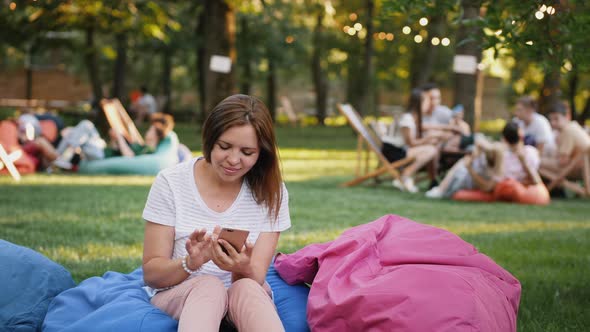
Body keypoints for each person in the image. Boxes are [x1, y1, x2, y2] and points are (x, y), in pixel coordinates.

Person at [142, 94, 290, 331]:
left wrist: (240, 267)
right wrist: (191, 263)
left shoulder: (272, 193)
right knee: (209, 285)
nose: (233, 160)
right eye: (224, 147)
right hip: (182, 292)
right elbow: (151, 274)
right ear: (210, 139)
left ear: (261, 153)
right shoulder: (171, 182)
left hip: (242, 291)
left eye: (247, 152)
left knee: (249, 288)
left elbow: (256, 276)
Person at [426, 122, 542, 199]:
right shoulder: (522, 152)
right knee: (469, 157)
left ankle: (440, 189)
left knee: (464, 164)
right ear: (521, 137)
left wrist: (470, 168)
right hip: (481, 170)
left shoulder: (519, 153)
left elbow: (535, 182)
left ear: (504, 138)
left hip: (474, 175)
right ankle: (440, 189)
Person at [52, 112, 174, 170]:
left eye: (150, 130)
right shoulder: (140, 145)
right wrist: (115, 139)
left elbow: (129, 157)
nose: (147, 131)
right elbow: (117, 150)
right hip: (102, 150)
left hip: (101, 156)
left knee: (85, 125)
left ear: (155, 136)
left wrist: (120, 138)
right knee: (77, 130)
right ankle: (60, 159)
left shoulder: (148, 151)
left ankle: (60, 158)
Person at [380, 88, 440, 193]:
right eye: (427, 101)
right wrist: (429, 139)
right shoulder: (407, 119)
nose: (429, 104)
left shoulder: (410, 117)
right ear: (419, 103)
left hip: (397, 150)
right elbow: (411, 143)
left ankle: (409, 178)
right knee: (431, 150)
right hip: (393, 152)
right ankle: (405, 176)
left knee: (431, 149)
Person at [540, 102, 590, 181]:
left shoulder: (568, 131)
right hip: (583, 168)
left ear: (567, 116)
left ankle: (551, 187)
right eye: (551, 119)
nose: (553, 123)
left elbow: (563, 161)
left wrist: (539, 160)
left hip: (581, 171)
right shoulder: (574, 126)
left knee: (535, 162)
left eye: (556, 119)